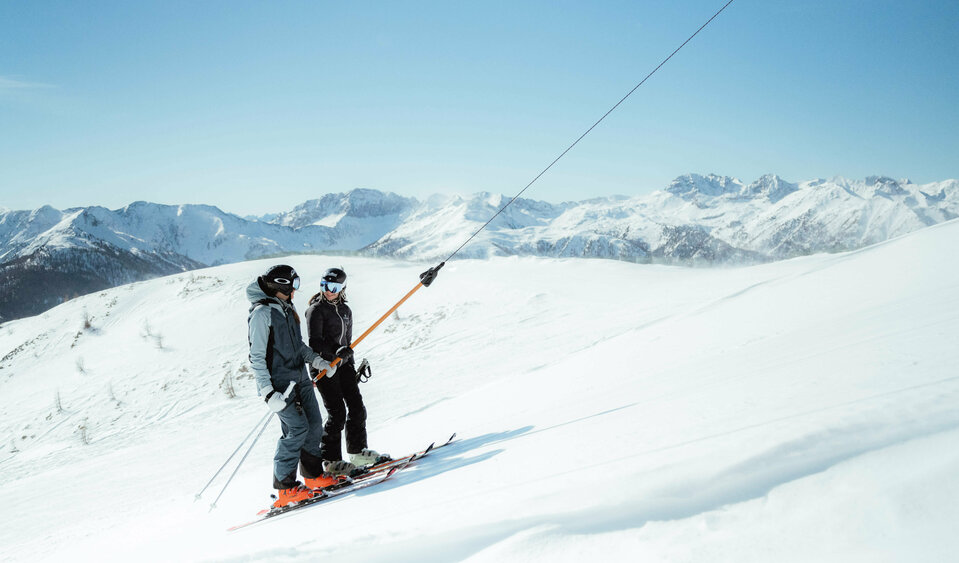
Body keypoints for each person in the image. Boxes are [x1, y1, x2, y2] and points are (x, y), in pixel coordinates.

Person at [247, 264, 343, 508]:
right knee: (296, 430)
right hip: (280, 386)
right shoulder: (262, 314)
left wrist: (318, 361)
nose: (295, 290)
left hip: (300, 378)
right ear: (281, 285)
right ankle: (285, 489)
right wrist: (268, 393)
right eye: (294, 285)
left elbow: (298, 346)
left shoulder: (287, 308)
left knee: (313, 426)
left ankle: (312, 477)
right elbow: (256, 357)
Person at [306, 267, 390, 474]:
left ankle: (358, 452)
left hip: (343, 366)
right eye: (325, 285)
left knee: (357, 407)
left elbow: (348, 343)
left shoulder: (345, 311)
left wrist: (348, 363)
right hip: (324, 367)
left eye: (334, 287)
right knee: (337, 413)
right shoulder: (316, 310)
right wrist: (336, 352)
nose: (328, 290)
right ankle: (332, 461)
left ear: (342, 288)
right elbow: (315, 342)